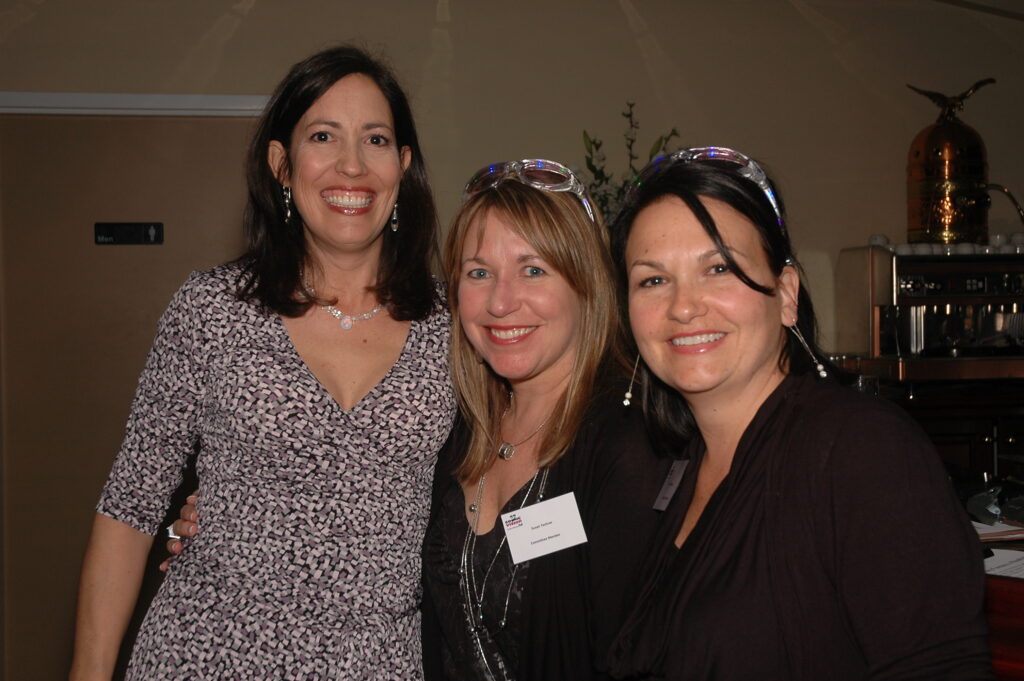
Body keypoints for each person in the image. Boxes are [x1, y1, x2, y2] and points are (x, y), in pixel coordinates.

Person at [69, 46, 456, 681]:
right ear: (282, 165)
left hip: (381, 662)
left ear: (403, 166)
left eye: (377, 139)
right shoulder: (210, 309)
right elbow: (130, 506)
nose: (352, 165)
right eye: (323, 136)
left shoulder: (455, 323)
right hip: (205, 655)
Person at [604, 147, 992, 680]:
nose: (683, 306)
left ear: (786, 294)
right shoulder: (674, 467)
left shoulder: (860, 451)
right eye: (652, 279)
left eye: (719, 268)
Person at [420, 161, 673, 681]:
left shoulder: (627, 447)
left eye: (533, 269)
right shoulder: (459, 429)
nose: (501, 301)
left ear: (587, 286)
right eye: (478, 272)